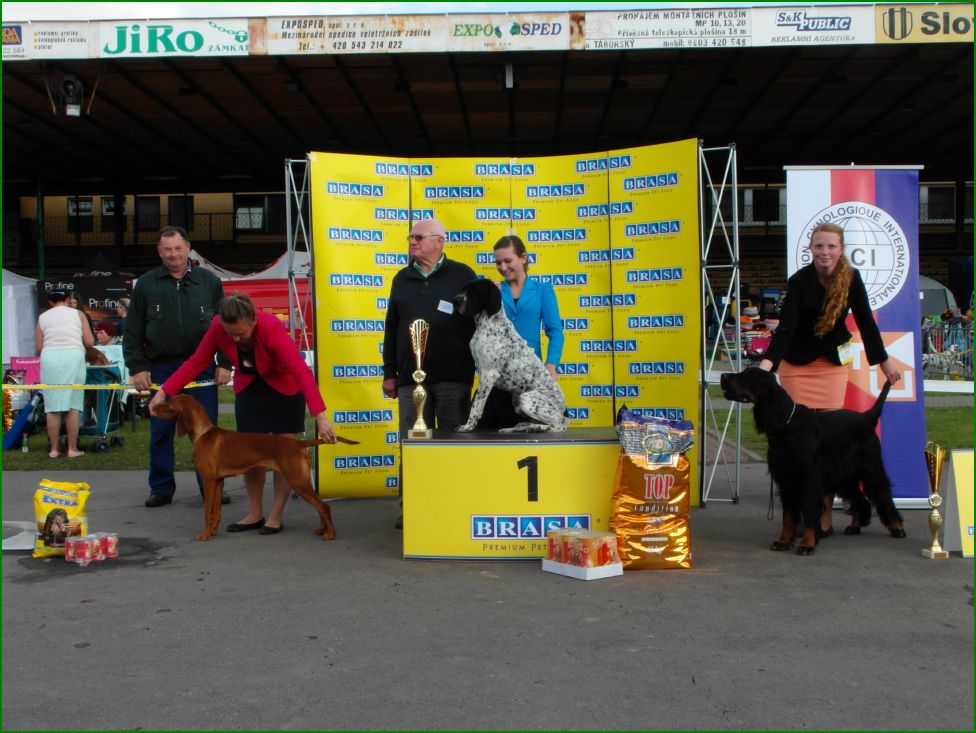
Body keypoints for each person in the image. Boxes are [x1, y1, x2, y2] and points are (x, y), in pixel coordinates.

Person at [148, 294, 337, 535]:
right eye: (230, 334)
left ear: (254, 321)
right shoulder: (218, 326)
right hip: (250, 388)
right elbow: (196, 363)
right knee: (250, 449)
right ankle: (254, 513)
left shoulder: (271, 329)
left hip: (284, 387)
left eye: (241, 334)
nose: (235, 339)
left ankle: (275, 516)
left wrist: (320, 415)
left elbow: (301, 372)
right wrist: (164, 392)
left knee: (285, 449)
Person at [758, 221, 901, 535]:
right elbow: (787, 328)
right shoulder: (799, 281)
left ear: (841, 249)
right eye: (819, 246)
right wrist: (767, 365)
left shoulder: (852, 279)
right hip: (797, 366)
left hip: (833, 367)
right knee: (801, 443)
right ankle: (804, 515)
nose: (824, 252)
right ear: (811, 249)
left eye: (831, 246)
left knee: (824, 446)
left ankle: (822, 516)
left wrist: (884, 361)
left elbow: (865, 322)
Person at [123, 225, 231, 508]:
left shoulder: (209, 282)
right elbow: (133, 330)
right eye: (166, 250)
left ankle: (211, 486)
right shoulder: (146, 284)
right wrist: (137, 367)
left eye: (177, 248)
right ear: (159, 252)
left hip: (203, 369)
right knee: (160, 431)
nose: (173, 254)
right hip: (161, 369)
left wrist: (225, 362)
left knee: (207, 433)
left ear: (188, 248)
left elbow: (224, 326)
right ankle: (160, 488)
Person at [382, 218, 477, 528]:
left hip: (454, 378)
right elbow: (391, 328)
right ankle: (411, 509)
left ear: (440, 241)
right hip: (412, 380)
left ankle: (456, 505)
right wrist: (389, 373)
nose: (412, 242)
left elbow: (480, 323)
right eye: (411, 237)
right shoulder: (401, 278)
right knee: (413, 447)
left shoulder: (463, 275)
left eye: (419, 237)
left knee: (455, 447)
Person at [477, 234, 565, 429]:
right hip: (499, 378)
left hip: (530, 376)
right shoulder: (493, 290)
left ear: (523, 258)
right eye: (498, 262)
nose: (502, 267)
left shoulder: (543, 290)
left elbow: (555, 331)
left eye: (508, 260)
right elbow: (482, 330)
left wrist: (551, 365)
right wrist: (489, 297)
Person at [35, 290, 94, 458]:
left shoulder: (42, 317)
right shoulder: (78, 314)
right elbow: (89, 341)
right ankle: (72, 449)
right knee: (73, 405)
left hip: (50, 358)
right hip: (73, 356)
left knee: (52, 406)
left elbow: (39, 347)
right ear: (68, 300)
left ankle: (54, 449)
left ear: (50, 302)